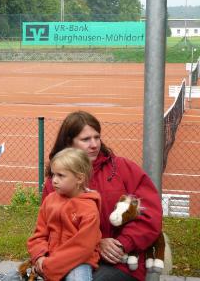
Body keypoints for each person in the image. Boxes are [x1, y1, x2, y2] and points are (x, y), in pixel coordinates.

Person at [41, 111, 163, 281]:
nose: (94, 145)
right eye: (86, 139)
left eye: (97, 137)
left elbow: (150, 213)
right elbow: (49, 228)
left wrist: (123, 243)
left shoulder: (123, 168)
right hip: (72, 259)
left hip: (122, 261)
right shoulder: (56, 181)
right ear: (69, 142)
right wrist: (41, 258)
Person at [5, 148, 101, 281]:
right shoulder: (50, 200)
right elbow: (39, 234)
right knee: (10, 278)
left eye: (61, 175)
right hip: (49, 256)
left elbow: (83, 248)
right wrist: (39, 256)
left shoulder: (89, 209)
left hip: (78, 262)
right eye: (53, 174)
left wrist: (49, 265)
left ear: (79, 178)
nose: (54, 180)